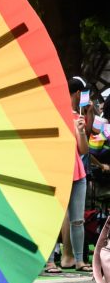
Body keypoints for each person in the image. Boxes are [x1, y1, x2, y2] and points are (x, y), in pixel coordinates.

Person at [45, 76, 91, 273]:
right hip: (55, 172)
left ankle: (79, 261)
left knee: (77, 220)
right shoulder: (53, 114)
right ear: (79, 94)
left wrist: (80, 131)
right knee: (51, 218)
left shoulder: (77, 117)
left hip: (77, 173)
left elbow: (83, 150)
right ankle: (49, 262)